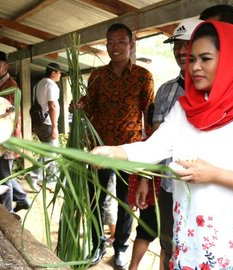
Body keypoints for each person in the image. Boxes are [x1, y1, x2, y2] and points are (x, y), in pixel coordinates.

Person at [91, 21, 233, 269]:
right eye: (191, 59)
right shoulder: (185, 108)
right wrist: (113, 152)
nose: (195, 67)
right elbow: (152, 148)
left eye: (205, 59)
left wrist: (214, 175)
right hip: (190, 244)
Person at [70, 22, 155, 268]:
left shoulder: (143, 76)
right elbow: (90, 105)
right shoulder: (97, 76)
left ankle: (120, 247)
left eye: (120, 41)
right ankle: (97, 245)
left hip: (129, 151)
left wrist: (147, 157)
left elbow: (149, 117)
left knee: (125, 203)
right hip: (99, 149)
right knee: (95, 198)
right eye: (110, 42)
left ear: (131, 44)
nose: (114, 47)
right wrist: (79, 106)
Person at [129, 18, 203, 270]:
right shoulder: (166, 91)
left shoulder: (228, 94)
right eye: (177, 46)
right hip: (171, 187)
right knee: (168, 243)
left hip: (206, 192)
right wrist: (143, 179)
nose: (182, 52)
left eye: (188, 45)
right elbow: (157, 142)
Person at [0, 50, 31, 213]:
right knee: (4, 174)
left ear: (6, 67)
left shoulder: (10, 86)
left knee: (2, 177)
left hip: (6, 139)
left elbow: (5, 116)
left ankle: (7, 212)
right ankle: (23, 199)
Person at [31, 62, 64, 186]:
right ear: (53, 73)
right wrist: (55, 127)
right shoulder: (51, 85)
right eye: (59, 73)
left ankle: (51, 178)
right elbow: (52, 105)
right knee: (50, 152)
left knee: (50, 150)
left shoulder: (38, 84)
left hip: (39, 123)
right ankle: (33, 175)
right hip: (47, 123)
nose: (60, 75)